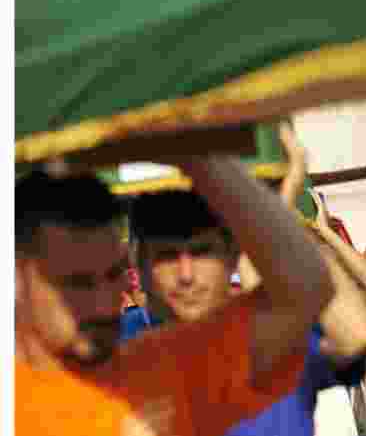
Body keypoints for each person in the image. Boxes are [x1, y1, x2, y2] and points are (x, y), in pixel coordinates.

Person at [15, 157, 335, 435]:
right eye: (78, 282)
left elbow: (310, 289)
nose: (103, 303)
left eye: (114, 275)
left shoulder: (159, 359)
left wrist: (201, 161)